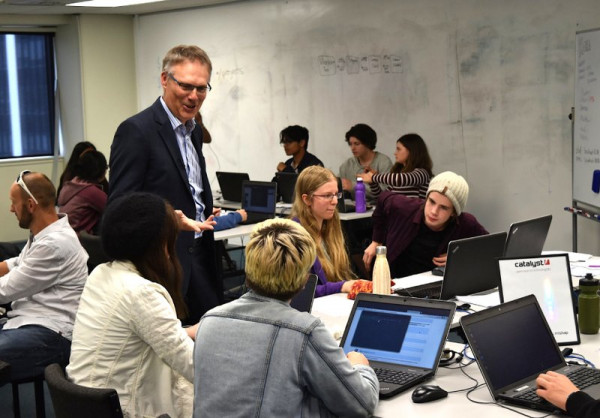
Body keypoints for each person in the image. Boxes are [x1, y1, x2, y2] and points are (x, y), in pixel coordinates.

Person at [193, 218, 379, 417]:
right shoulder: (304, 331)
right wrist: (360, 365)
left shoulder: (209, 321)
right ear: (304, 281)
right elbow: (362, 403)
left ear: (248, 270)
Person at [109, 44, 220, 323]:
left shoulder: (193, 131)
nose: (194, 96)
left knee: (211, 334)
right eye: (185, 86)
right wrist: (168, 217)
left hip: (200, 255)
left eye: (202, 88)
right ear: (164, 80)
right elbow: (119, 208)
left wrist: (204, 210)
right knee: (170, 350)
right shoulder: (136, 131)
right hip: (160, 262)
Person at [67, 192, 200, 418]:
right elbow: (195, 366)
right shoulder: (141, 292)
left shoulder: (101, 273)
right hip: (119, 410)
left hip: (87, 404)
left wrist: (186, 332)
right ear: (160, 245)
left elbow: (135, 332)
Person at [0, 170, 88, 381]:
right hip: (27, 322)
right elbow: (15, 265)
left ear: (30, 205)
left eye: (14, 203)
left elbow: (5, 290)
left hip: (53, 334)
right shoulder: (45, 234)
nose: (12, 208)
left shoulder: (55, 244)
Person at [363, 171, 488, 277]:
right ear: (426, 197)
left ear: (454, 213)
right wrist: (376, 241)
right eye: (431, 202)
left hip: (435, 288)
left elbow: (493, 248)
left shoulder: (466, 223)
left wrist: (462, 256)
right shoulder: (403, 207)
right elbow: (383, 198)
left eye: (443, 208)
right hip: (396, 282)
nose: (434, 212)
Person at [291, 165, 372, 297]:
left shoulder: (332, 227)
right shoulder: (294, 237)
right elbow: (300, 293)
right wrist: (343, 286)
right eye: (327, 195)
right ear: (306, 199)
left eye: (336, 194)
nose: (334, 201)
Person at [358, 133, 433, 199]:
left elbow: (401, 179)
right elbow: (382, 198)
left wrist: (373, 177)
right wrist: (373, 183)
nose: (395, 153)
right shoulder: (398, 176)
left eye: (398, 149)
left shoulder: (422, 173)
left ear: (411, 151)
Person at [339, 123, 393, 204]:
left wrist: (354, 186)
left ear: (367, 143)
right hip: (354, 212)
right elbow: (341, 193)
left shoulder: (384, 162)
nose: (352, 148)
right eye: (350, 144)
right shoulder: (346, 165)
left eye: (357, 144)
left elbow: (385, 194)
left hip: (378, 210)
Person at [57, 149, 108, 234]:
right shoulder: (90, 191)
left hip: (65, 235)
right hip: (80, 241)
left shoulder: (71, 184)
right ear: (100, 170)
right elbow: (112, 209)